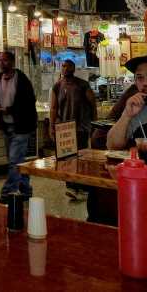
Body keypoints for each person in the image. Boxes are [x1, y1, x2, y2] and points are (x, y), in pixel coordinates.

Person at [0, 51, 37, 204]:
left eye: (4, 60)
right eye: (0, 60)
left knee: (14, 161)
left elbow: (28, 102)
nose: (1, 63)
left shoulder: (21, 79)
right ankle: (26, 189)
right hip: (6, 125)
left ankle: (7, 193)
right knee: (18, 161)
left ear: (12, 62)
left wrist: (8, 110)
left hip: (21, 127)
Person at [50, 59, 97, 200]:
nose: (65, 68)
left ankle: (82, 186)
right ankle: (72, 187)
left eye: (68, 66)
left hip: (80, 127)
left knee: (80, 158)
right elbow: (53, 108)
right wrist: (51, 126)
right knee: (67, 159)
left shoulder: (82, 85)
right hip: (64, 129)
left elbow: (92, 103)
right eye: (63, 66)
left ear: (73, 69)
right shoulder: (57, 86)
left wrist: (94, 123)